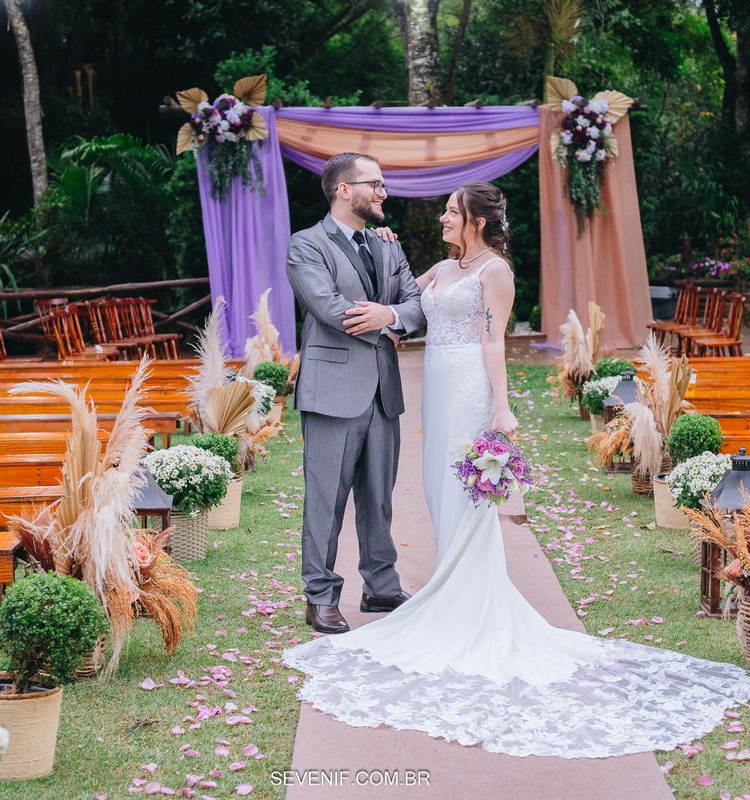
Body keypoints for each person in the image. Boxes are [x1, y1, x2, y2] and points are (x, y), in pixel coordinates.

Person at [284, 182, 750, 758]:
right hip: (437, 393)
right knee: (438, 495)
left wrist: (501, 407)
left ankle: (465, 607)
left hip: (471, 391)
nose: (444, 217)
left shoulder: (495, 272)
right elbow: (407, 299)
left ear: (477, 219)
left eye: (452, 211)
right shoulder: (444, 266)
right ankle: (449, 596)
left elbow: (492, 343)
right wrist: (385, 251)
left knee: (467, 501)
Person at [285, 152, 426, 636]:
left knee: (379, 496)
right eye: (376, 184)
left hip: (383, 392)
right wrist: (380, 322)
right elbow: (327, 306)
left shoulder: (388, 244)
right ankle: (320, 597)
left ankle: (381, 586)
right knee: (326, 500)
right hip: (331, 392)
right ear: (345, 189)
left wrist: (393, 318)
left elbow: (415, 304)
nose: (384, 193)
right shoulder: (306, 245)